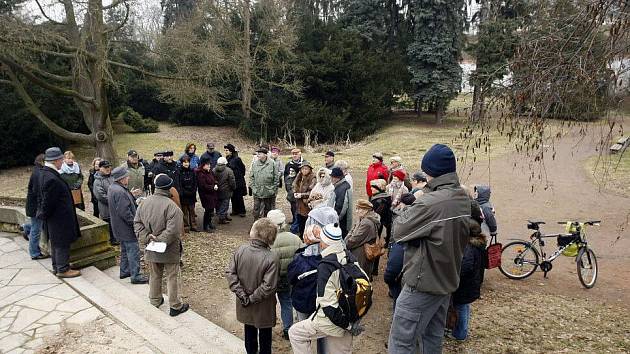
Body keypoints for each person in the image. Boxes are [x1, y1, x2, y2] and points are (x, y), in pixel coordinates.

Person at [388, 144, 472, 354]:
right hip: (445, 281)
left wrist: (416, 200)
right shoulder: (461, 197)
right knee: (431, 338)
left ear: (430, 171)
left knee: (401, 341)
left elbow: (399, 231)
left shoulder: (431, 204)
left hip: (422, 283)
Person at [288, 223, 355, 354]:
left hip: (331, 318)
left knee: (295, 333)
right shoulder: (349, 256)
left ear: (324, 243)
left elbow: (328, 305)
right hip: (347, 311)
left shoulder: (326, 265)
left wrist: (347, 324)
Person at [134, 174, 190, 316]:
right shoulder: (173, 207)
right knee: (172, 277)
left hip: (151, 246)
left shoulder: (144, 203)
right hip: (169, 249)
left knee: (155, 274)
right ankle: (175, 306)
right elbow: (173, 232)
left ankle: (155, 300)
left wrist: (148, 238)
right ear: (169, 188)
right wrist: (159, 240)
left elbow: (137, 223)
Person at [226, 218, 280, 354]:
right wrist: (252, 298)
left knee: (249, 333)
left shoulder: (241, 250)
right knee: (265, 337)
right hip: (264, 306)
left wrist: (243, 296)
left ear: (254, 233)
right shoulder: (271, 257)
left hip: (245, 303)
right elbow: (268, 286)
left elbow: (230, 274)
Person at [37, 147, 81, 278]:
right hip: (58, 218)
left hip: (55, 218)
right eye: (61, 159)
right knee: (61, 242)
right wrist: (45, 215)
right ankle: (63, 269)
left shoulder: (46, 173)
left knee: (56, 242)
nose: (62, 161)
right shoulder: (51, 178)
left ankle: (59, 265)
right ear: (56, 160)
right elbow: (48, 201)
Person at [108, 166, 148, 284]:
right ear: (121, 179)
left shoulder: (114, 188)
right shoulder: (120, 191)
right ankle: (136, 275)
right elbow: (125, 212)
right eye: (126, 176)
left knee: (125, 250)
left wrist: (131, 195)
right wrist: (135, 222)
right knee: (133, 250)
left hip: (119, 227)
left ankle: (125, 271)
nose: (128, 178)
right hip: (125, 228)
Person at [450, 212, 486, 341]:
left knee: (461, 307)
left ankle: (460, 334)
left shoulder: (469, 247)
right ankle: (461, 331)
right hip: (473, 283)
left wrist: (453, 277)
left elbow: (465, 267)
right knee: (464, 307)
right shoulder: (480, 244)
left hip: (465, 285)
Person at [268, 210, 302, 340]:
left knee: (270, 303)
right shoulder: (295, 238)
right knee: (286, 302)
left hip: (272, 278)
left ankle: (267, 327)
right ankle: (288, 329)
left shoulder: (269, 241)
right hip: (289, 277)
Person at [345, 199, 381, 278]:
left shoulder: (366, 223)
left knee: (360, 277)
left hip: (361, 255)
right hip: (360, 253)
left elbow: (353, 240)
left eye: (359, 209)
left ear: (365, 210)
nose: (356, 211)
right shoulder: (363, 219)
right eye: (356, 208)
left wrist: (346, 241)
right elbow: (353, 231)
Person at [25, 154, 47, 260]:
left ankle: (25, 227)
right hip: (35, 207)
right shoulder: (39, 173)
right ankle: (34, 253)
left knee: (36, 226)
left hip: (33, 205)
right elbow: (38, 192)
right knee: (36, 229)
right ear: (42, 161)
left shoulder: (37, 171)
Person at [93, 160, 118, 245]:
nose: (108, 169)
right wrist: (113, 200)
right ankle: (112, 240)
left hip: (116, 206)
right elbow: (100, 196)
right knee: (109, 224)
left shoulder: (113, 177)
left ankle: (117, 238)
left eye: (109, 167)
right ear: (100, 168)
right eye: (105, 167)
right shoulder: (97, 181)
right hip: (106, 208)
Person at [250, 147, 278, 220]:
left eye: (260, 153)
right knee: (256, 208)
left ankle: (266, 223)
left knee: (268, 208)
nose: (258, 155)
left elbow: (276, 177)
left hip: (268, 190)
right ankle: (255, 223)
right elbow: (251, 177)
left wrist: (273, 189)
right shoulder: (255, 164)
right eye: (257, 153)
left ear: (265, 154)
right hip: (257, 190)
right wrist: (253, 188)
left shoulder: (272, 163)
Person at [175, 156, 198, 232]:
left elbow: (195, 182)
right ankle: (186, 226)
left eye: (187, 162)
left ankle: (193, 226)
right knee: (184, 212)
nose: (186, 164)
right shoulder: (179, 171)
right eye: (184, 162)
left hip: (191, 194)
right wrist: (182, 192)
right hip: (183, 195)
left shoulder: (192, 171)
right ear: (182, 163)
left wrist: (193, 191)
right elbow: (178, 184)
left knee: (192, 211)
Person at [292, 161, 316, 237]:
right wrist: (295, 192)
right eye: (303, 169)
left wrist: (301, 195)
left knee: (307, 223)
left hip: (307, 205)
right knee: (300, 221)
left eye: (306, 169)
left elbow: (312, 192)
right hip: (299, 204)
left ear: (310, 169)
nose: (304, 170)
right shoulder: (299, 176)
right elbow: (294, 185)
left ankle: (307, 237)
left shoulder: (313, 178)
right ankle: (301, 235)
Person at [224, 144, 247, 217]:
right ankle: (235, 210)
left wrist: (239, 176)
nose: (225, 152)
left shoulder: (237, 159)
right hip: (231, 180)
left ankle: (242, 211)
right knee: (233, 196)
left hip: (238, 180)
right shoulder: (227, 158)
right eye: (225, 150)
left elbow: (243, 168)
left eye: (227, 150)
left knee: (239, 196)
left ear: (231, 151)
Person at [196, 158, 218, 232]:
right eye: (207, 164)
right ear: (203, 165)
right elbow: (203, 186)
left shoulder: (210, 171)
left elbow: (214, 179)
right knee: (208, 210)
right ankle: (206, 226)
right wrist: (213, 187)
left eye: (209, 164)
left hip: (212, 194)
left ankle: (209, 223)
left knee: (211, 209)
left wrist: (215, 184)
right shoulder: (200, 174)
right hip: (205, 195)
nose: (209, 166)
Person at [329, 167, 352, 238]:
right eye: (331, 177)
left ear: (339, 178)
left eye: (334, 177)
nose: (332, 179)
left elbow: (341, 208)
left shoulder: (342, 188)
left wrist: (335, 220)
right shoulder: (341, 186)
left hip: (341, 222)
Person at [284, 148, 303, 232]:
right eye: (293, 154)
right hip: (290, 189)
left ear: (300, 154)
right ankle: (294, 220)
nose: (294, 155)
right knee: (293, 207)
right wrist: (287, 187)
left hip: (300, 190)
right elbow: (286, 176)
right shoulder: (288, 164)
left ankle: (298, 224)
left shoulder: (304, 164)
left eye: (296, 154)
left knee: (299, 208)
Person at [214, 157, 236, 224]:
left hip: (217, 190)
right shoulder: (229, 171)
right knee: (225, 204)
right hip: (226, 191)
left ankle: (223, 215)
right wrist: (233, 188)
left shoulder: (214, 170)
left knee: (219, 203)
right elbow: (232, 181)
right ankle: (222, 218)